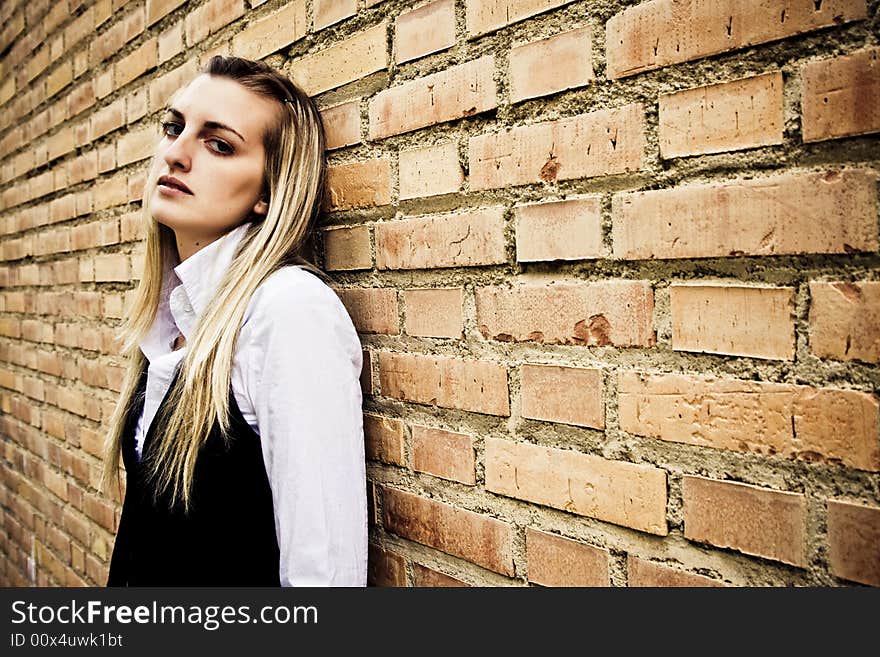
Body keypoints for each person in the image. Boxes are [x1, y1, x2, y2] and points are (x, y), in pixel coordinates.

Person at [100, 55, 367, 586]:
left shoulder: (287, 310)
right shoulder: (170, 320)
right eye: (174, 129)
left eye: (219, 144)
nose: (175, 155)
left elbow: (325, 577)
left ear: (268, 193)